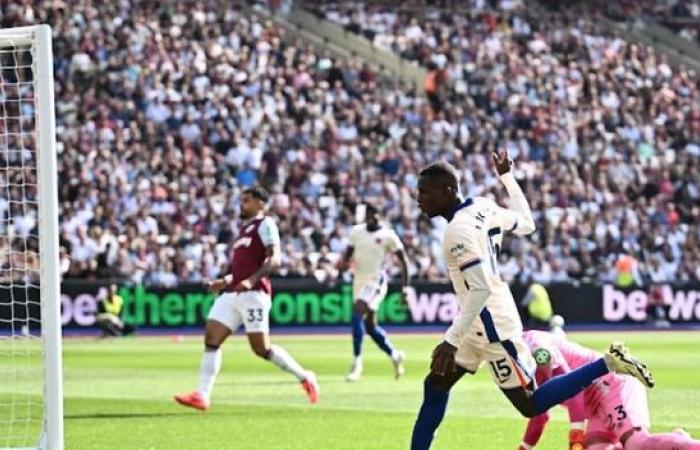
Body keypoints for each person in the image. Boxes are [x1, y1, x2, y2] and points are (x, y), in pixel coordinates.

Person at [410, 154, 655, 449]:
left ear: (447, 190)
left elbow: (480, 289)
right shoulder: (482, 206)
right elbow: (527, 224)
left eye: (425, 192)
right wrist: (507, 178)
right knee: (435, 385)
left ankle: (608, 362)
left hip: (493, 328)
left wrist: (451, 340)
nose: (419, 198)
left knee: (530, 404)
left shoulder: (456, 232)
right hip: (475, 320)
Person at [174, 187, 319, 411]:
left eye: (247, 201)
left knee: (261, 349)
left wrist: (251, 281)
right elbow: (243, 268)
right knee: (211, 338)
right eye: (242, 200)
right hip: (233, 292)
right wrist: (225, 281)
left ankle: (304, 376)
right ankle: (202, 395)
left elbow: (274, 260)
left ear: (261, 204)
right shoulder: (243, 231)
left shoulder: (265, 225)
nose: (242, 204)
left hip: (254, 294)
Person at [520, 330, 700, 450]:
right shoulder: (512, 360)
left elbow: (573, 387)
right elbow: (538, 412)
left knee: (637, 444)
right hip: (594, 405)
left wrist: (576, 433)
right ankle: (677, 440)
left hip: (611, 383)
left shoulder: (536, 345)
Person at [339, 203, 410, 382]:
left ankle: (357, 364)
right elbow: (347, 255)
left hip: (375, 281)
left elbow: (403, 261)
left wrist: (406, 288)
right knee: (370, 327)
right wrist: (343, 264)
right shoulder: (356, 232)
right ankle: (395, 355)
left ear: (379, 215)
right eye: (368, 213)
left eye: (374, 213)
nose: (370, 217)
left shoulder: (388, 235)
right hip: (359, 280)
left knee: (357, 313)